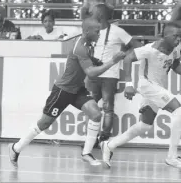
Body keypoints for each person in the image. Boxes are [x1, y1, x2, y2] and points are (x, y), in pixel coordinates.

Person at [8, 18, 126, 166]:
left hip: (77, 89)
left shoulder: (88, 44)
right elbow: (91, 73)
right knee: (44, 123)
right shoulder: (80, 47)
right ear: (87, 31)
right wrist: (113, 61)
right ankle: (16, 148)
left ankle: (86, 153)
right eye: (96, 31)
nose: (99, 34)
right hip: (63, 90)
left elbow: (88, 62)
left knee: (96, 114)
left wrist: (96, 61)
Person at [100, 21, 181, 168]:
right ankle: (172, 157)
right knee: (180, 110)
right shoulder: (150, 49)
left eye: (180, 36)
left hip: (159, 87)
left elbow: (175, 63)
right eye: (175, 36)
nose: (178, 39)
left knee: (144, 125)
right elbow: (127, 58)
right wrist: (129, 85)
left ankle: (109, 145)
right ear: (165, 36)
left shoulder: (176, 46)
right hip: (147, 86)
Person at [85, 4, 143, 146]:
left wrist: (126, 56)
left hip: (110, 75)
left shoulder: (117, 31)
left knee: (107, 108)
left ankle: (103, 140)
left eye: (94, 12)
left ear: (100, 14)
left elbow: (138, 46)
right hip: (94, 73)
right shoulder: (93, 30)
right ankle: (91, 140)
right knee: (90, 106)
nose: (91, 14)